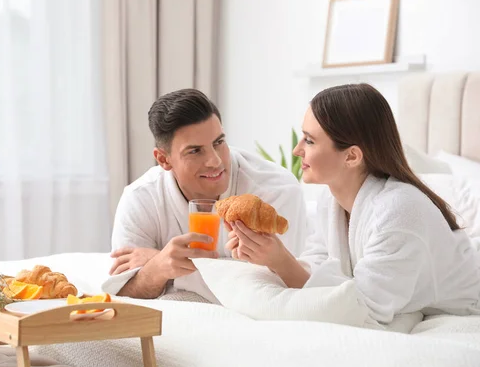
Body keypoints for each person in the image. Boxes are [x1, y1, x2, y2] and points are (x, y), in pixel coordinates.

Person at [226, 83, 480, 326]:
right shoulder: (331, 200)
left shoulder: (399, 210)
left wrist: (282, 262)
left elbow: (365, 309)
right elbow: (317, 263)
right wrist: (269, 257)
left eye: (309, 141)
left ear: (351, 156)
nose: (297, 150)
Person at [103, 88, 308, 299]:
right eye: (195, 151)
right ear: (164, 159)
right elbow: (124, 293)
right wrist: (159, 268)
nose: (215, 161)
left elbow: (275, 289)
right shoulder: (141, 198)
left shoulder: (275, 190)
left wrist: (165, 266)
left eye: (218, 143)